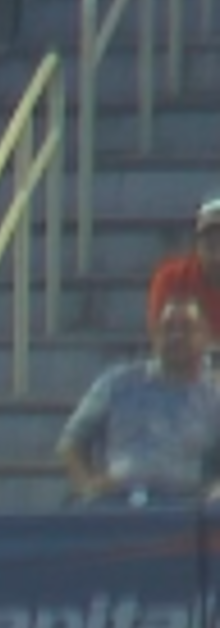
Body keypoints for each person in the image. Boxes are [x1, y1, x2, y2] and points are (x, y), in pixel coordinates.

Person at [56, 300, 220, 507]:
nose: (176, 336)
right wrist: (86, 486)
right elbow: (71, 442)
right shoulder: (117, 383)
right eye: (168, 328)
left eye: (186, 328)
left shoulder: (215, 395)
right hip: (117, 498)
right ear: (154, 335)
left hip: (186, 505)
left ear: (206, 338)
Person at [144, 197, 220, 334]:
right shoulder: (171, 278)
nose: (217, 255)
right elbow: (164, 339)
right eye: (211, 244)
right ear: (196, 245)